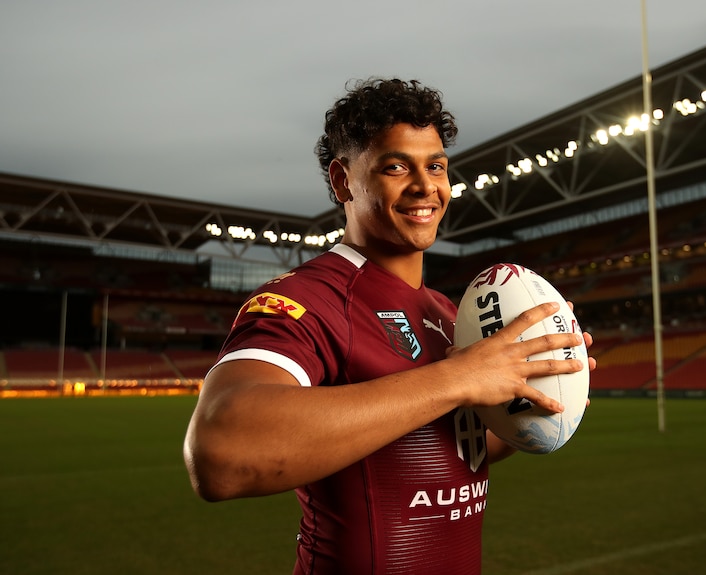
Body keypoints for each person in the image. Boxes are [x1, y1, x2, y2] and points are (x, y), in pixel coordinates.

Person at [183, 77, 595, 575]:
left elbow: (447, 448)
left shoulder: (449, 313)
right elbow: (221, 455)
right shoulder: (307, 298)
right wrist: (459, 377)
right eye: (396, 166)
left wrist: (538, 399)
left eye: (436, 166)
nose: (425, 186)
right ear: (343, 182)